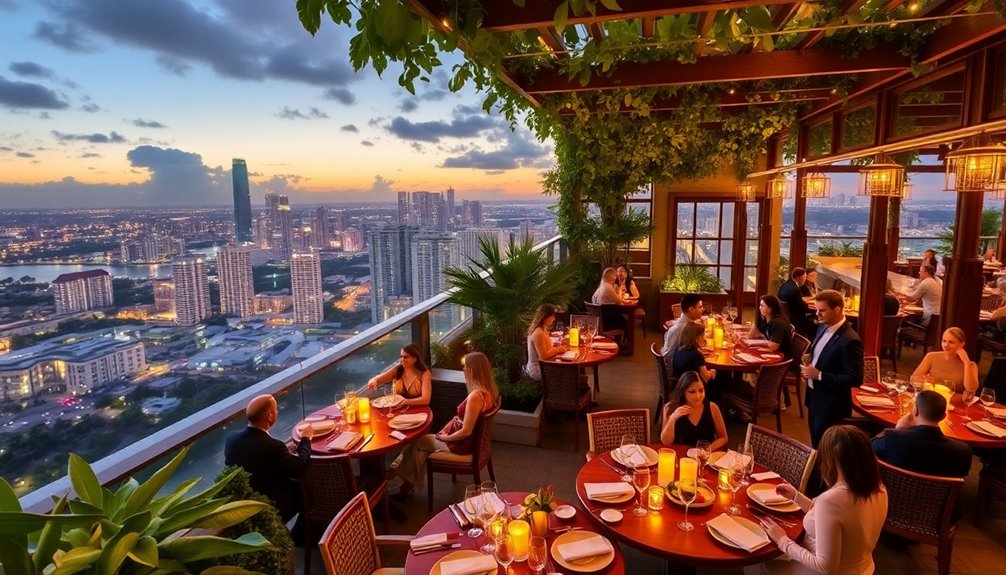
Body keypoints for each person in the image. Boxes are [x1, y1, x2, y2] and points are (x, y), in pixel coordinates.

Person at [748, 425, 887, 575]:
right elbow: (836, 519)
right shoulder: (880, 490)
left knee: (754, 565)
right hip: (864, 569)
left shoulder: (831, 500)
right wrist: (797, 498)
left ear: (831, 461)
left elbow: (825, 568)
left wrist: (782, 540)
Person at [392, 351, 499, 497]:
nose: (463, 371)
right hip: (473, 443)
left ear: (471, 372)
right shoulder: (490, 392)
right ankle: (407, 483)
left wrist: (445, 438)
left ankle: (398, 474)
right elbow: (460, 420)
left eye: (465, 368)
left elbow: (466, 431)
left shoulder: (476, 397)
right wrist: (445, 430)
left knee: (419, 442)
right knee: (422, 450)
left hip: (462, 445)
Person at [224, 394, 313, 525]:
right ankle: (301, 535)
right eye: (275, 409)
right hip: (271, 503)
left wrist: (285, 453)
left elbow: (256, 458)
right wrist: (306, 439)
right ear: (270, 416)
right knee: (308, 489)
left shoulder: (232, 438)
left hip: (244, 501)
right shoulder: (274, 446)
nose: (277, 412)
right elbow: (299, 468)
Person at [801, 290, 864, 448]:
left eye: (822, 310)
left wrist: (820, 375)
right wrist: (810, 360)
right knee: (815, 445)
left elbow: (855, 378)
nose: (818, 314)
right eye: (817, 310)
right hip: (815, 398)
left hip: (831, 406)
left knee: (826, 450)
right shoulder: (823, 327)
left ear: (837, 310)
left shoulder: (850, 340)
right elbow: (822, 355)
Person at [871, 390, 972, 478]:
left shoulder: (894, 438)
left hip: (894, 495)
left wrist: (898, 429)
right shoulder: (962, 451)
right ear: (943, 416)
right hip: (936, 499)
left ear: (915, 411)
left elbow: (868, 446)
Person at [659, 371, 728, 450]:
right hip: (682, 456)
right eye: (692, 392)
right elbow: (666, 442)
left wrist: (707, 449)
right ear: (683, 392)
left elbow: (723, 437)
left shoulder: (712, 408)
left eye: (701, 390)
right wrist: (672, 418)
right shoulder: (670, 407)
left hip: (705, 456)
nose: (698, 396)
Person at [910, 327, 979, 393]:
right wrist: (923, 381)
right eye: (944, 341)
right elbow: (913, 378)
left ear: (962, 344)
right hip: (932, 398)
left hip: (955, 402)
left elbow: (971, 389)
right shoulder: (931, 356)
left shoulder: (971, 365)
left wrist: (966, 363)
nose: (946, 345)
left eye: (951, 342)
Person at [366, 343, 432, 406]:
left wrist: (404, 402)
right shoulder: (397, 370)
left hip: (419, 410)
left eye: (405, 357)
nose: (402, 360)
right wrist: (373, 381)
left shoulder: (424, 374)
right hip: (399, 409)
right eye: (401, 357)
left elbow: (426, 400)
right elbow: (379, 378)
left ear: (415, 359)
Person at [524, 303, 570, 380]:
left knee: (568, 368)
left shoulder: (543, 328)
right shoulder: (538, 333)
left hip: (545, 364)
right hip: (537, 369)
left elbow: (546, 347)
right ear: (545, 317)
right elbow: (543, 356)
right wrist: (558, 350)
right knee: (567, 373)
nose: (554, 319)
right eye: (552, 316)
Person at [779, 267, 814, 339]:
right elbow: (804, 308)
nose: (805, 279)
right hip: (795, 319)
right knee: (816, 323)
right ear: (799, 277)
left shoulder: (786, 284)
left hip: (786, 316)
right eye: (804, 277)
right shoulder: (795, 290)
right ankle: (810, 344)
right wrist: (817, 310)